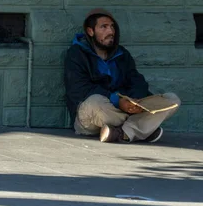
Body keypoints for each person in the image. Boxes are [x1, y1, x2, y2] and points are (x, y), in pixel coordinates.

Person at [64, 8, 181, 143]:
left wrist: (135, 100)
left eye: (112, 27)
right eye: (104, 27)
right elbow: (79, 89)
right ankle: (141, 129)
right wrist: (117, 101)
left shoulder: (122, 54)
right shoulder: (76, 54)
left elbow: (137, 80)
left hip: (126, 108)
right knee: (96, 101)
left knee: (172, 100)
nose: (111, 32)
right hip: (94, 113)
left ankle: (122, 132)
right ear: (91, 31)